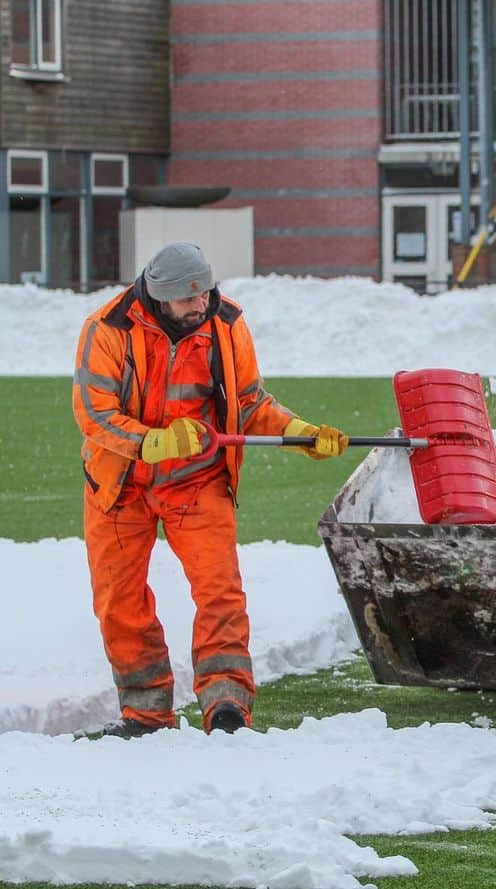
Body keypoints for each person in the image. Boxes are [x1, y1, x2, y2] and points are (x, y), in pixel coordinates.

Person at [72, 242, 349, 738]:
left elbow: (247, 401)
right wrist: (149, 442)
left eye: (204, 294)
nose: (199, 306)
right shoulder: (107, 329)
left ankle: (226, 704)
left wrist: (299, 432)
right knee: (120, 601)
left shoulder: (226, 324)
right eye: (186, 299)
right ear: (158, 298)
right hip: (120, 485)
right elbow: (94, 415)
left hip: (197, 482)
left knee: (220, 593)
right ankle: (146, 713)